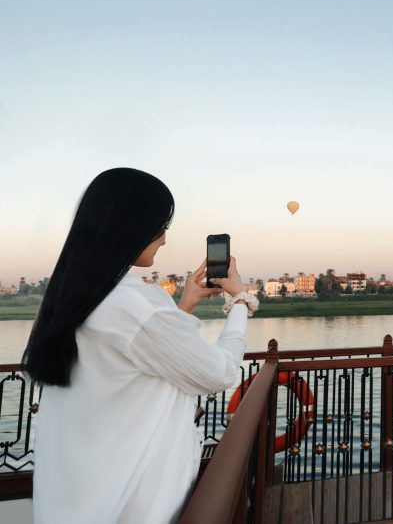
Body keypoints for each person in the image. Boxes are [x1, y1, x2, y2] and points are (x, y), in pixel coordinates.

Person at [21, 168, 260, 523]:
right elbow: (220, 372)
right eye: (161, 226)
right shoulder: (136, 302)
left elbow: (139, 348)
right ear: (132, 226)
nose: (163, 239)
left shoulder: (72, 296)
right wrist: (240, 301)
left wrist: (184, 305)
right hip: (129, 508)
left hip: (71, 503)